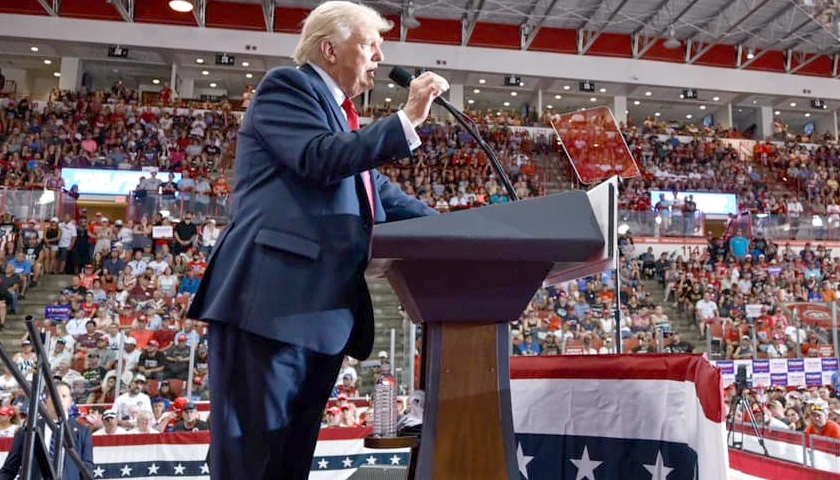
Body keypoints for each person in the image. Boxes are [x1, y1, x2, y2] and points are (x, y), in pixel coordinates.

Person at [186, 2, 447, 479]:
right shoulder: (289, 87)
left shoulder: (342, 118)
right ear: (329, 49)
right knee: (252, 461)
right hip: (269, 309)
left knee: (289, 463)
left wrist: (460, 227)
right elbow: (318, 157)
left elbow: (376, 191)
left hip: (319, 318)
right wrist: (406, 120)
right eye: (369, 44)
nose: (379, 55)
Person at [0, 381, 94, 479]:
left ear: (70, 401)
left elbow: (87, 470)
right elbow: (9, 470)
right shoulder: (27, 431)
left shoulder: (83, 432)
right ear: (45, 401)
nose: (59, 399)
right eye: (54, 395)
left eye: (64, 396)